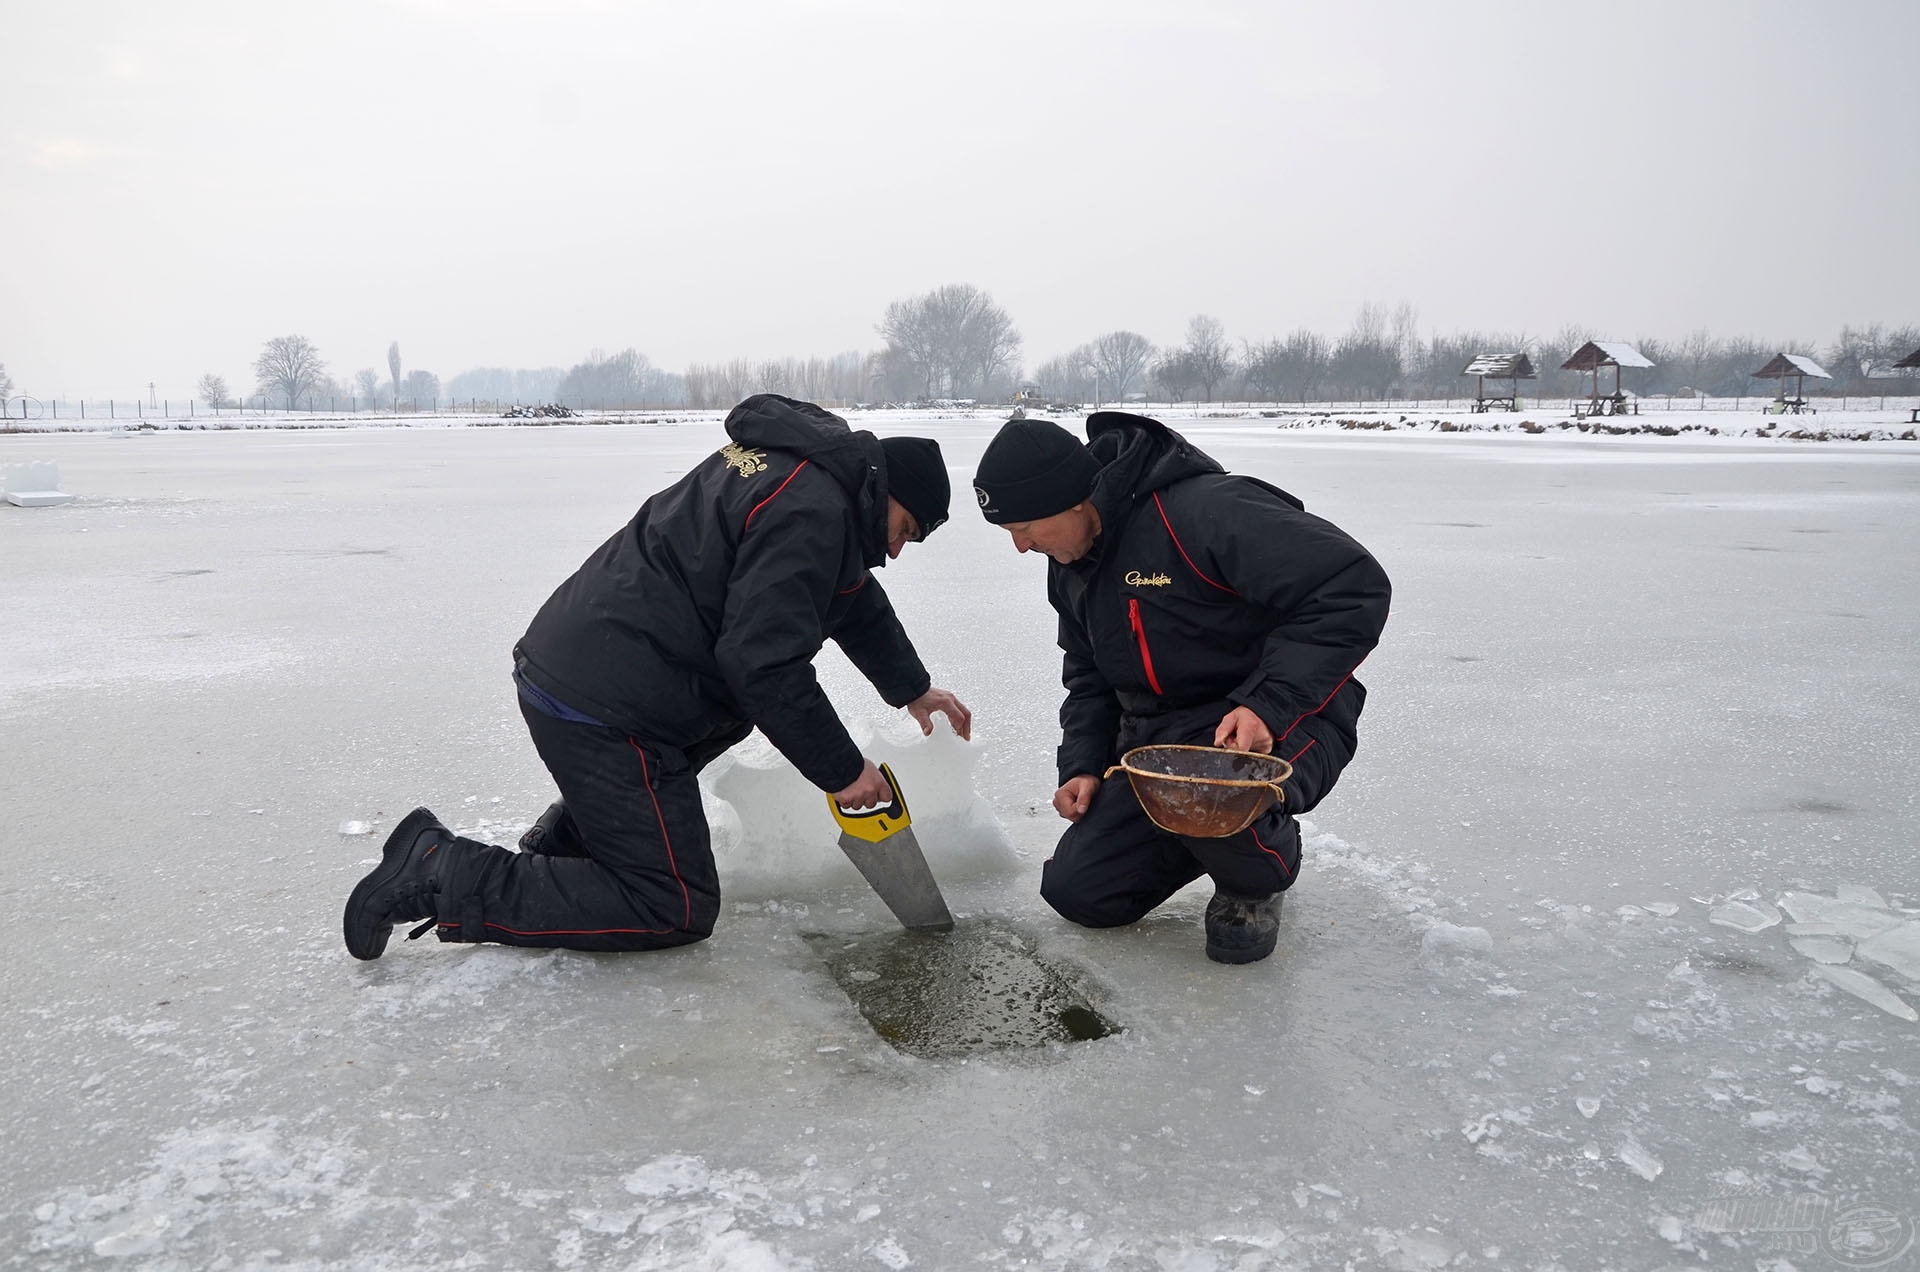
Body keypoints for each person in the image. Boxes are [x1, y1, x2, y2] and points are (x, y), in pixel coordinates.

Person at [344, 393, 972, 959]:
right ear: (887, 493)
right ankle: (439, 868)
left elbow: (849, 595)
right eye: (905, 531)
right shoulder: (813, 510)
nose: (895, 550)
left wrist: (911, 686)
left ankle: (566, 851)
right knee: (670, 905)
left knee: (660, 828)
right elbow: (764, 664)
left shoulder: (807, 478)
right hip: (607, 708)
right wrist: (843, 772)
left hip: (600, 676)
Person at [972, 412, 1388, 964]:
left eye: (1026, 528)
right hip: (1161, 744)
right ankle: (1205, 833)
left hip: (1285, 719)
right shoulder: (1069, 561)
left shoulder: (1203, 512)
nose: (1021, 548)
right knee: (1082, 892)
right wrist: (1083, 765)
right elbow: (1088, 675)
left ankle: (1259, 870)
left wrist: (1266, 706)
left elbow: (1350, 585)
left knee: (1212, 803)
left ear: (1075, 499)